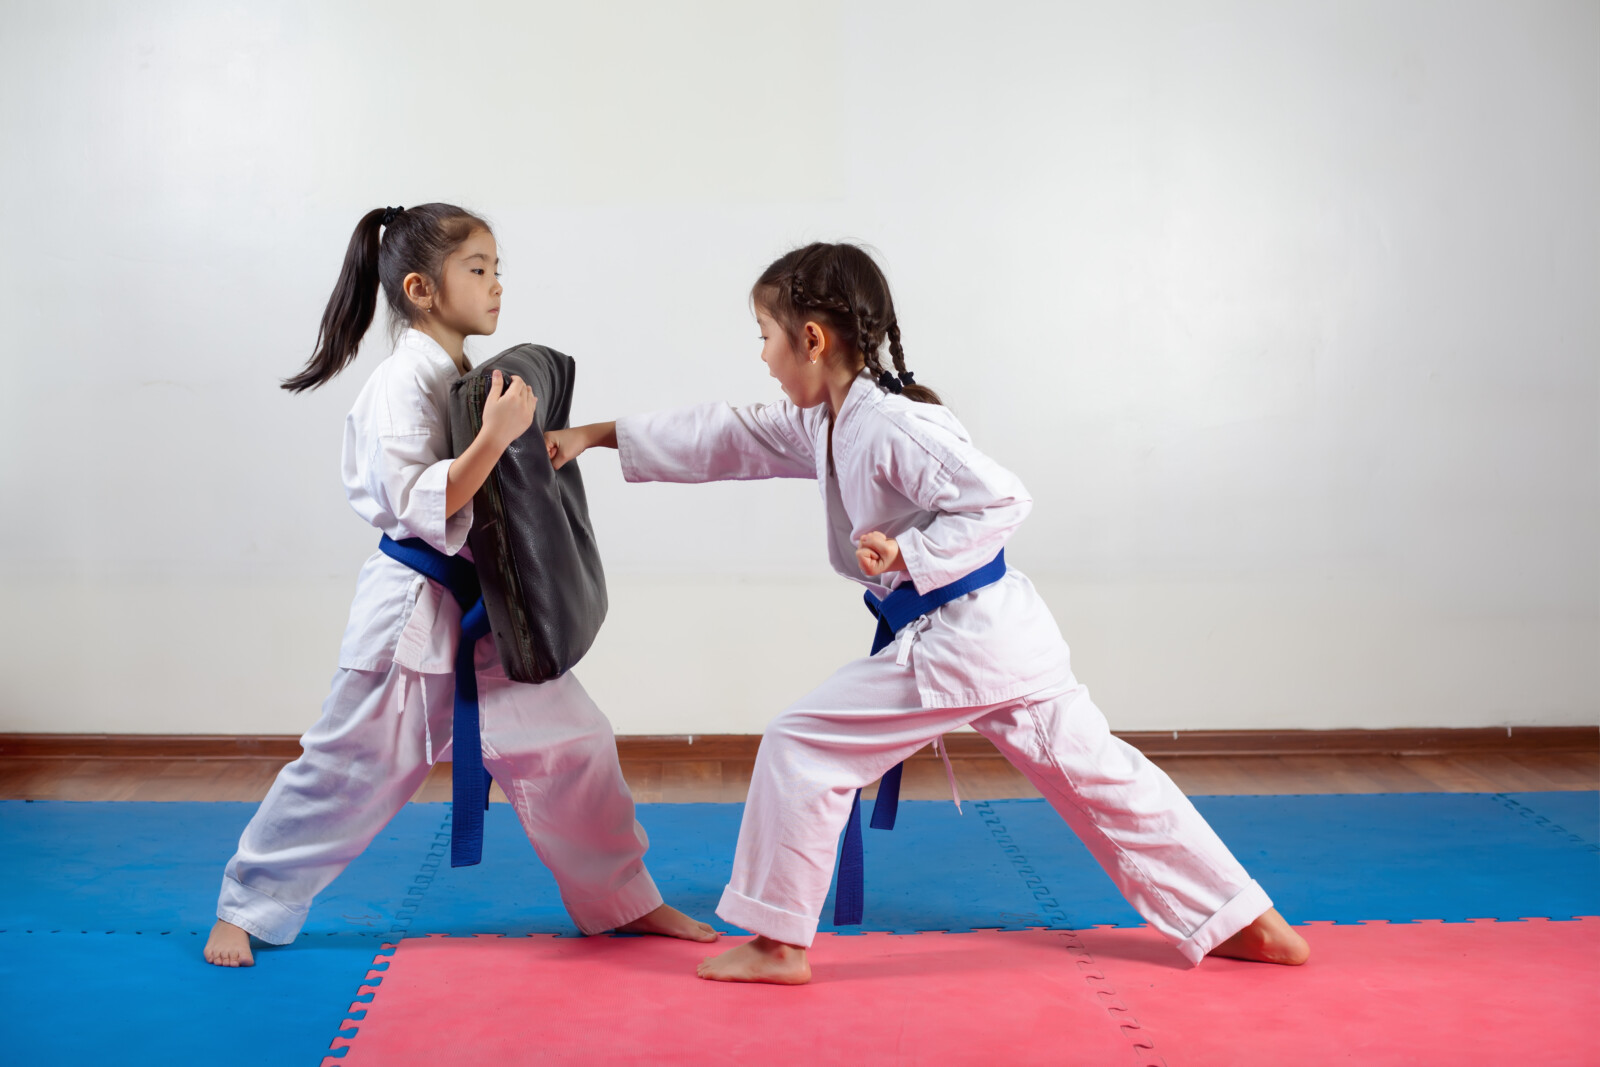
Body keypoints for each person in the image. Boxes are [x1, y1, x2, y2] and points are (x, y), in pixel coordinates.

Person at [545, 241, 1310, 984]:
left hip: (963, 638)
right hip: (1005, 636)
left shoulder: (892, 423)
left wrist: (911, 557)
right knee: (1100, 776)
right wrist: (596, 436)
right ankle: (1246, 918)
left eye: (766, 338)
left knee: (802, 744)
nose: (764, 357)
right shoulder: (831, 420)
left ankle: (779, 943)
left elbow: (1002, 497)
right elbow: (731, 434)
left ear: (811, 339)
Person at [204, 203, 715, 967]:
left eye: (498, 268)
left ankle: (623, 900)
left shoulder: (467, 377)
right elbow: (424, 500)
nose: (496, 284)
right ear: (420, 288)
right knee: (345, 772)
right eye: (477, 269)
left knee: (577, 746)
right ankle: (244, 908)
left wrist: (520, 442)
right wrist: (494, 438)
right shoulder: (396, 383)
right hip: (412, 621)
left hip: (490, 617)